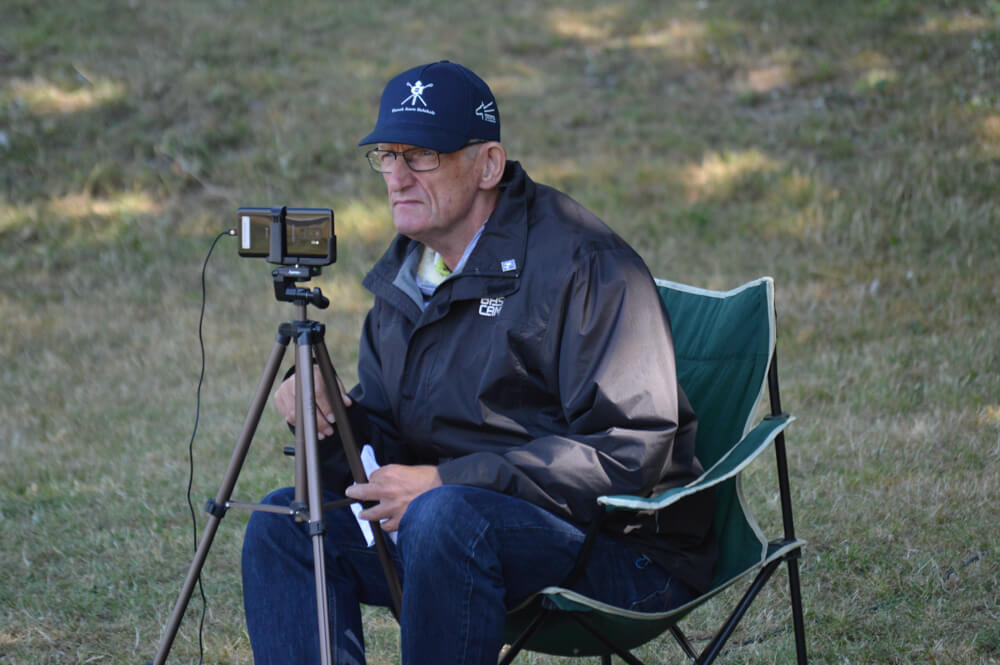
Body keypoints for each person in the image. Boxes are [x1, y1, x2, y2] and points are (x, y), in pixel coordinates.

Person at [241, 60, 716, 665]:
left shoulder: (582, 263)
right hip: (452, 532)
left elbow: (630, 450)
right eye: (387, 155)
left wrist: (449, 482)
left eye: (422, 156)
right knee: (283, 522)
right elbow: (386, 451)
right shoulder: (407, 279)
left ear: (488, 164)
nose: (398, 177)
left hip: (625, 552)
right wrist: (332, 414)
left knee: (443, 517)